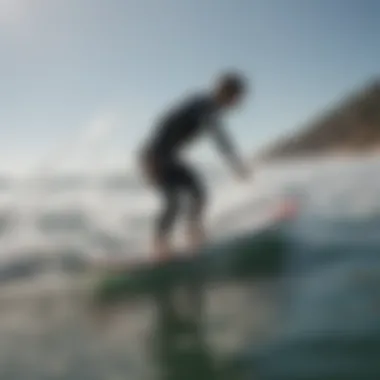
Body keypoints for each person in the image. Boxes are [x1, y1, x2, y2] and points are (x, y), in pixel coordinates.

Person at [139, 71, 250, 260]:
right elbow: (216, 135)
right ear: (225, 92)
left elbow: (217, 133)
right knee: (173, 201)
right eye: (235, 97)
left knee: (199, 195)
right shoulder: (202, 105)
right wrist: (236, 164)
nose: (236, 103)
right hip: (155, 156)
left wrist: (236, 164)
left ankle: (193, 235)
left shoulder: (209, 109)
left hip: (169, 158)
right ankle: (160, 246)